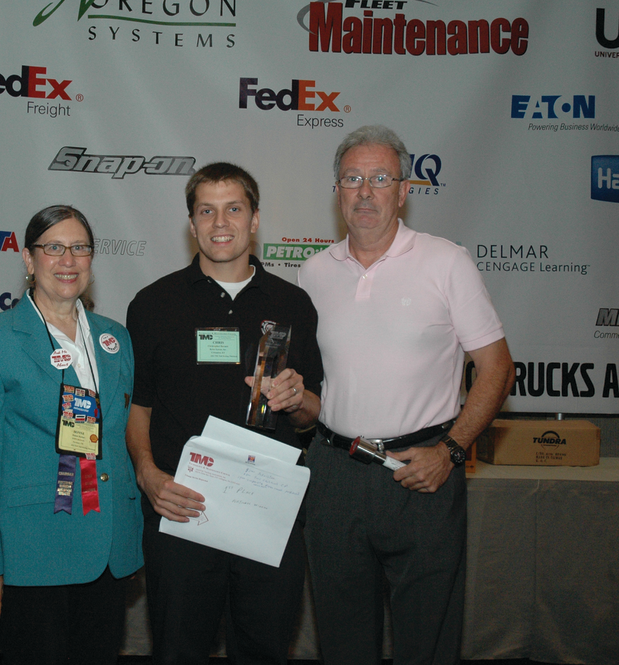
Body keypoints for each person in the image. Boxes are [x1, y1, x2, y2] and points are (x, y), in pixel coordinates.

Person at [298, 125, 515, 665]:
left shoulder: (446, 262)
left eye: (380, 179)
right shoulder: (313, 272)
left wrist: (452, 450)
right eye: (352, 179)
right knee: (342, 642)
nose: (365, 192)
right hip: (334, 472)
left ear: (403, 191)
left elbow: (498, 368)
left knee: (427, 640)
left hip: (422, 472)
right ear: (337, 190)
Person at [125, 162, 324, 664]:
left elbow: (312, 415)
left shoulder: (294, 304)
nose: (220, 223)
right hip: (183, 511)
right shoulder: (152, 304)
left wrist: (298, 399)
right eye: (206, 211)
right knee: (178, 650)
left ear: (254, 219)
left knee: (264, 651)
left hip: (268, 514)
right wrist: (147, 474)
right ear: (191, 224)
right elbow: (138, 406)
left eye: (233, 209)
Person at [0, 205, 143, 664]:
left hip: (107, 550)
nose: (68, 260)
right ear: (28, 258)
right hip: (31, 552)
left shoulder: (114, 338)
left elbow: (115, 442)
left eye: (80, 248)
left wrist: (128, 536)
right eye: (54, 247)